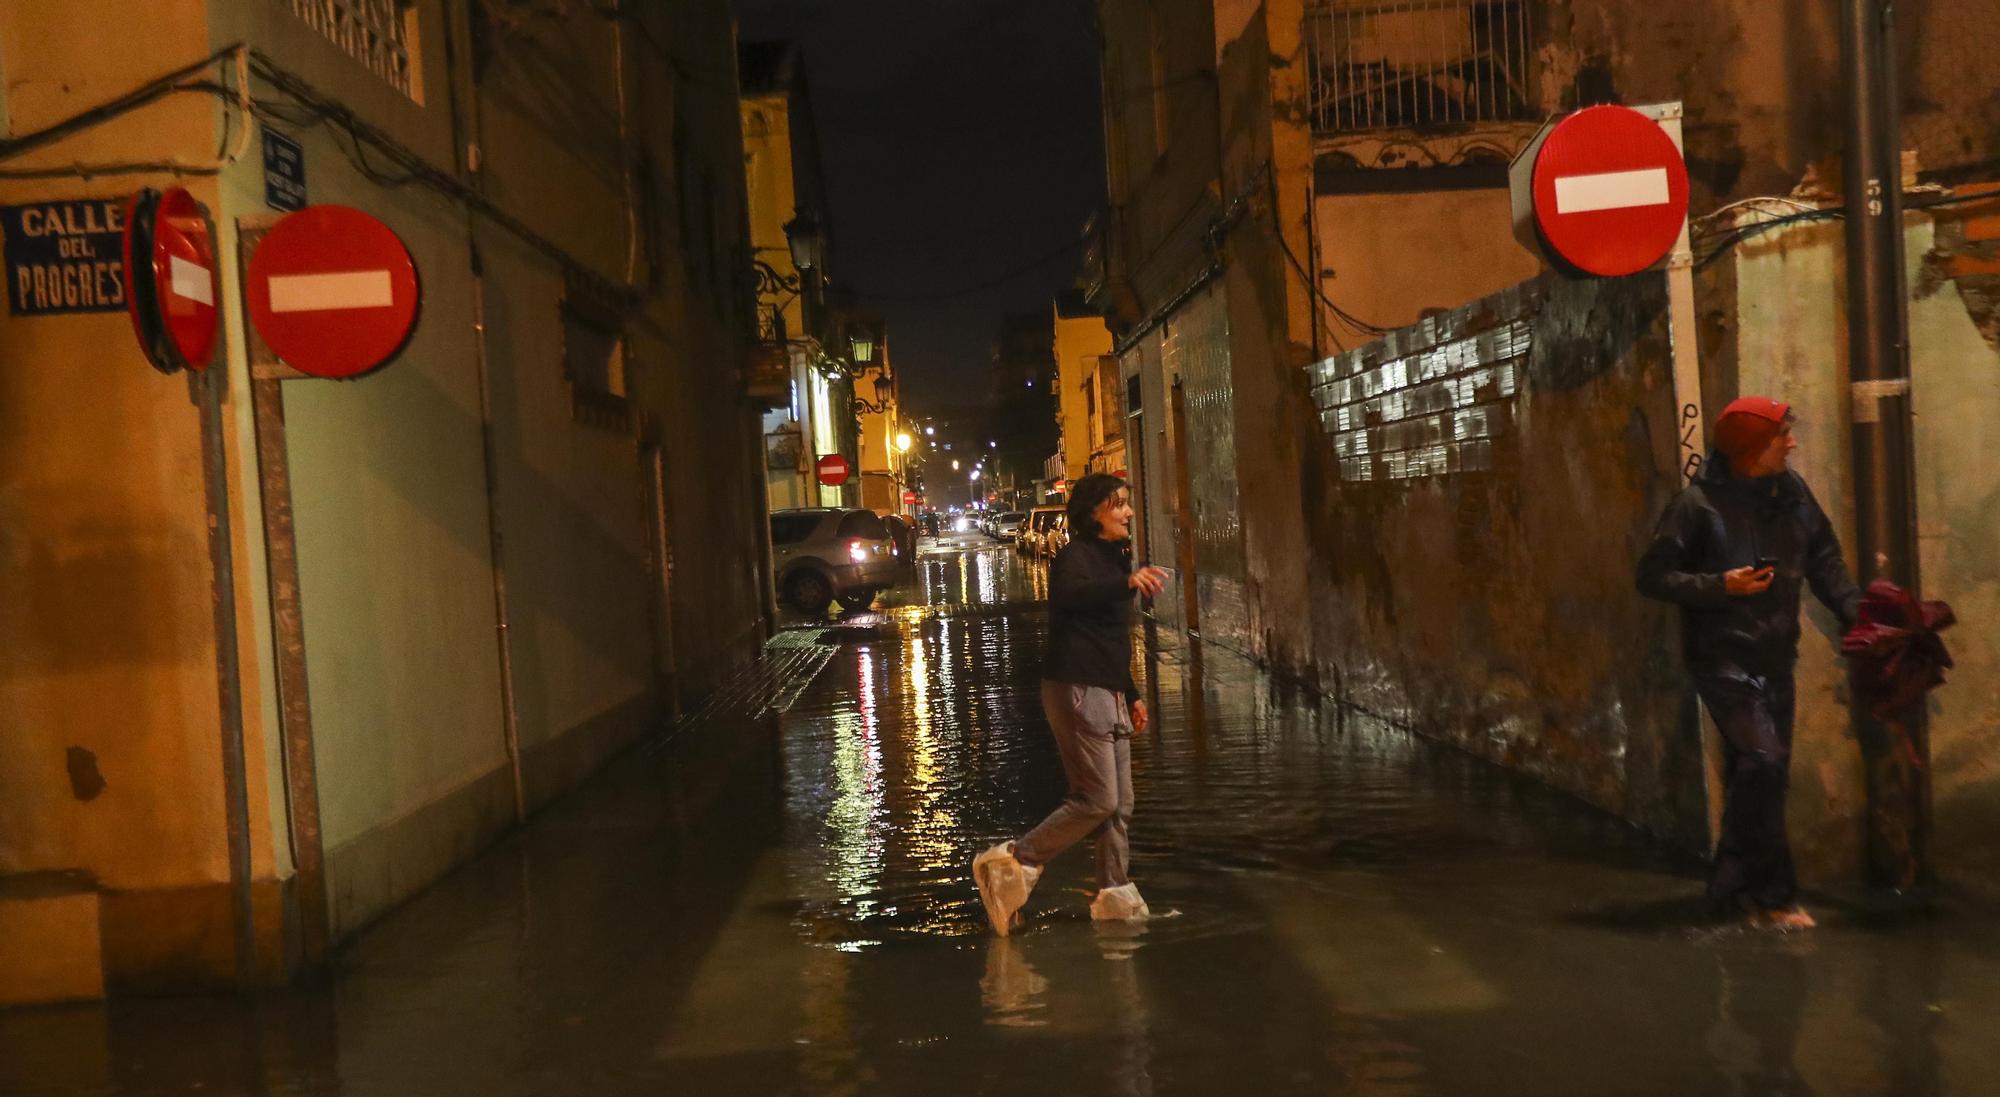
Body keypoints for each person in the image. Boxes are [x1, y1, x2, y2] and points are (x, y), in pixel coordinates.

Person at [1636, 396, 1861, 930]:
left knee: (1766, 773)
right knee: (1761, 760)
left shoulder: (1794, 495)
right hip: (1724, 661)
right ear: (1752, 449)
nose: (1793, 442)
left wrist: (1862, 616)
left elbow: (1825, 561)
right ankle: (1770, 895)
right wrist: (1720, 585)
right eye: (1782, 435)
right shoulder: (1697, 506)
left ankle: (1740, 891)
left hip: (1776, 656)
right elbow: (1651, 577)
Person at [972, 473, 1170, 936]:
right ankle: (1014, 862)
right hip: (1076, 690)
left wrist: (1132, 694)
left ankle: (1115, 896)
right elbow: (1070, 596)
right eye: (1117, 504)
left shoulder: (1112, 557)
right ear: (1094, 512)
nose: (1127, 512)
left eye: (1125, 503)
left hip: (1108, 690)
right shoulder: (1074, 557)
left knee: (1120, 805)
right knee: (1097, 798)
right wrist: (1125, 584)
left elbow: (1109, 637)